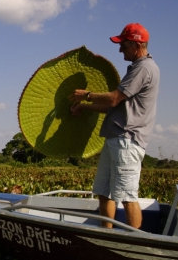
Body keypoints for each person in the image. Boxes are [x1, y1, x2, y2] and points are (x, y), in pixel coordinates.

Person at [68, 23, 160, 229]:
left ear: (137, 45)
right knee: (104, 192)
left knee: (127, 195)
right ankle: (107, 236)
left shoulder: (144, 68)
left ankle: (132, 244)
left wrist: (87, 95)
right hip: (115, 138)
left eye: (124, 45)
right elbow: (115, 108)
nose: (120, 50)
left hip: (127, 140)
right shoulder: (136, 68)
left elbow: (113, 99)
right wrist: (84, 105)